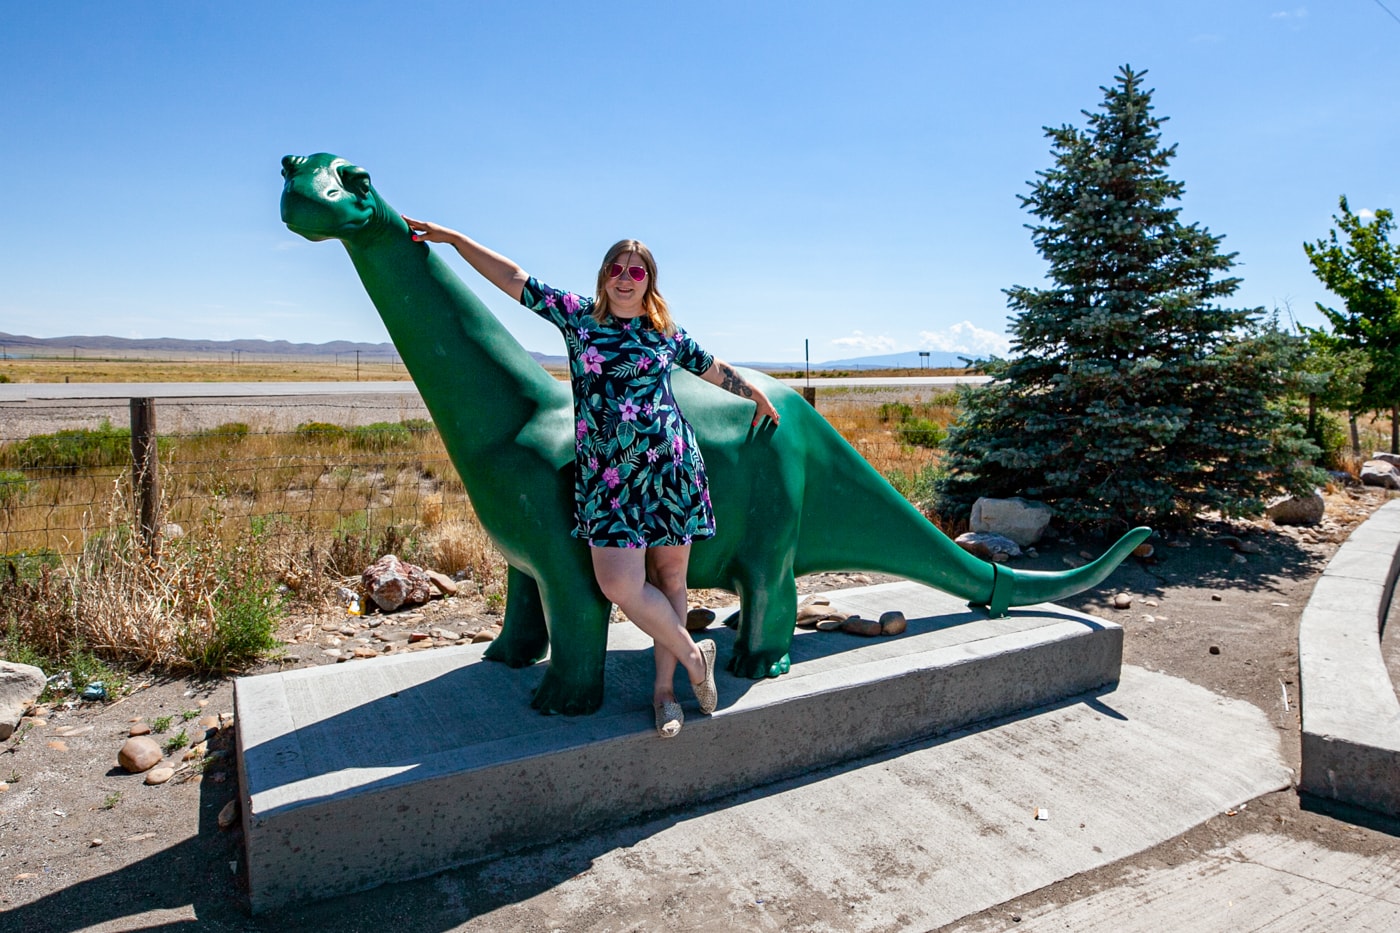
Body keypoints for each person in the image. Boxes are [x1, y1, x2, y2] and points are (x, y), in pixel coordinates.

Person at [402, 216, 780, 737]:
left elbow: (713, 368)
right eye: (617, 268)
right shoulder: (578, 318)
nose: (626, 278)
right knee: (619, 582)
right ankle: (696, 658)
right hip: (608, 479)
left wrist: (755, 394)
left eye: (638, 271)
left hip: (670, 468)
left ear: (650, 281)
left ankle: (664, 694)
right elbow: (513, 278)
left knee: (670, 580)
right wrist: (455, 239)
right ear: (604, 275)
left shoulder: (663, 332)